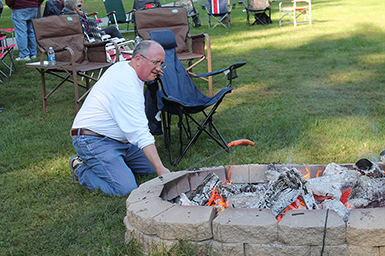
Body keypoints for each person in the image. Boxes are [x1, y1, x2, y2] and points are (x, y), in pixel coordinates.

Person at [69, 40, 170, 196]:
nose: (159, 69)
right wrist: (161, 169)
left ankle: (116, 163)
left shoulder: (126, 68)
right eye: (155, 63)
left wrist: (152, 73)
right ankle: (80, 167)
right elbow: (140, 133)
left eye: (161, 64)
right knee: (125, 189)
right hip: (92, 139)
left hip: (120, 139)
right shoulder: (125, 83)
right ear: (138, 59)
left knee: (149, 169)